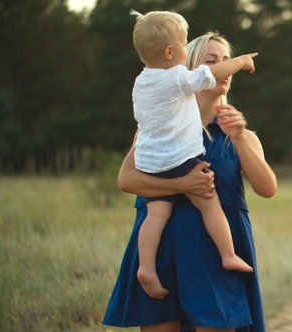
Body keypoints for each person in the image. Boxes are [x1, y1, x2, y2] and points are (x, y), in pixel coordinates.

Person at [102, 30, 277, 332]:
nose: (226, 66)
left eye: (227, 60)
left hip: (216, 253)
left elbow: (267, 189)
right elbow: (127, 179)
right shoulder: (156, 129)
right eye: (213, 60)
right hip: (162, 248)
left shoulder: (241, 135)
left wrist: (239, 138)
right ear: (192, 70)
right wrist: (181, 185)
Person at [129, 10, 258, 299]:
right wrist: (239, 62)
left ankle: (146, 266)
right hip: (180, 160)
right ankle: (228, 254)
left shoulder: (142, 82)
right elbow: (208, 76)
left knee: (155, 214)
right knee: (209, 202)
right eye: (185, 45)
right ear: (172, 52)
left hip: (152, 162)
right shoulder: (178, 78)